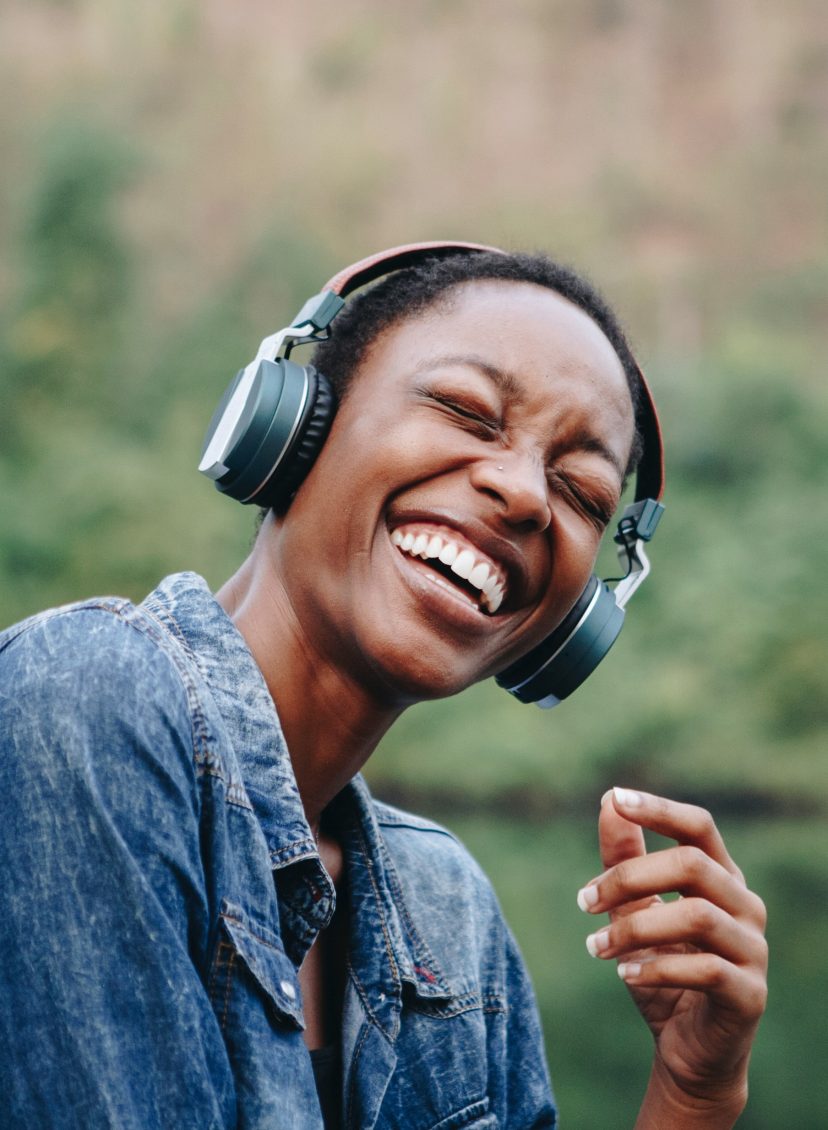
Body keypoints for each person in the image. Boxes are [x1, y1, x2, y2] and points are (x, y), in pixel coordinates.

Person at [0, 243, 767, 1129]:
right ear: (296, 427)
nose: (525, 495)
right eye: (465, 411)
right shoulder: (82, 701)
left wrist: (692, 1094)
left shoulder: (447, 907)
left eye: (583, 493)